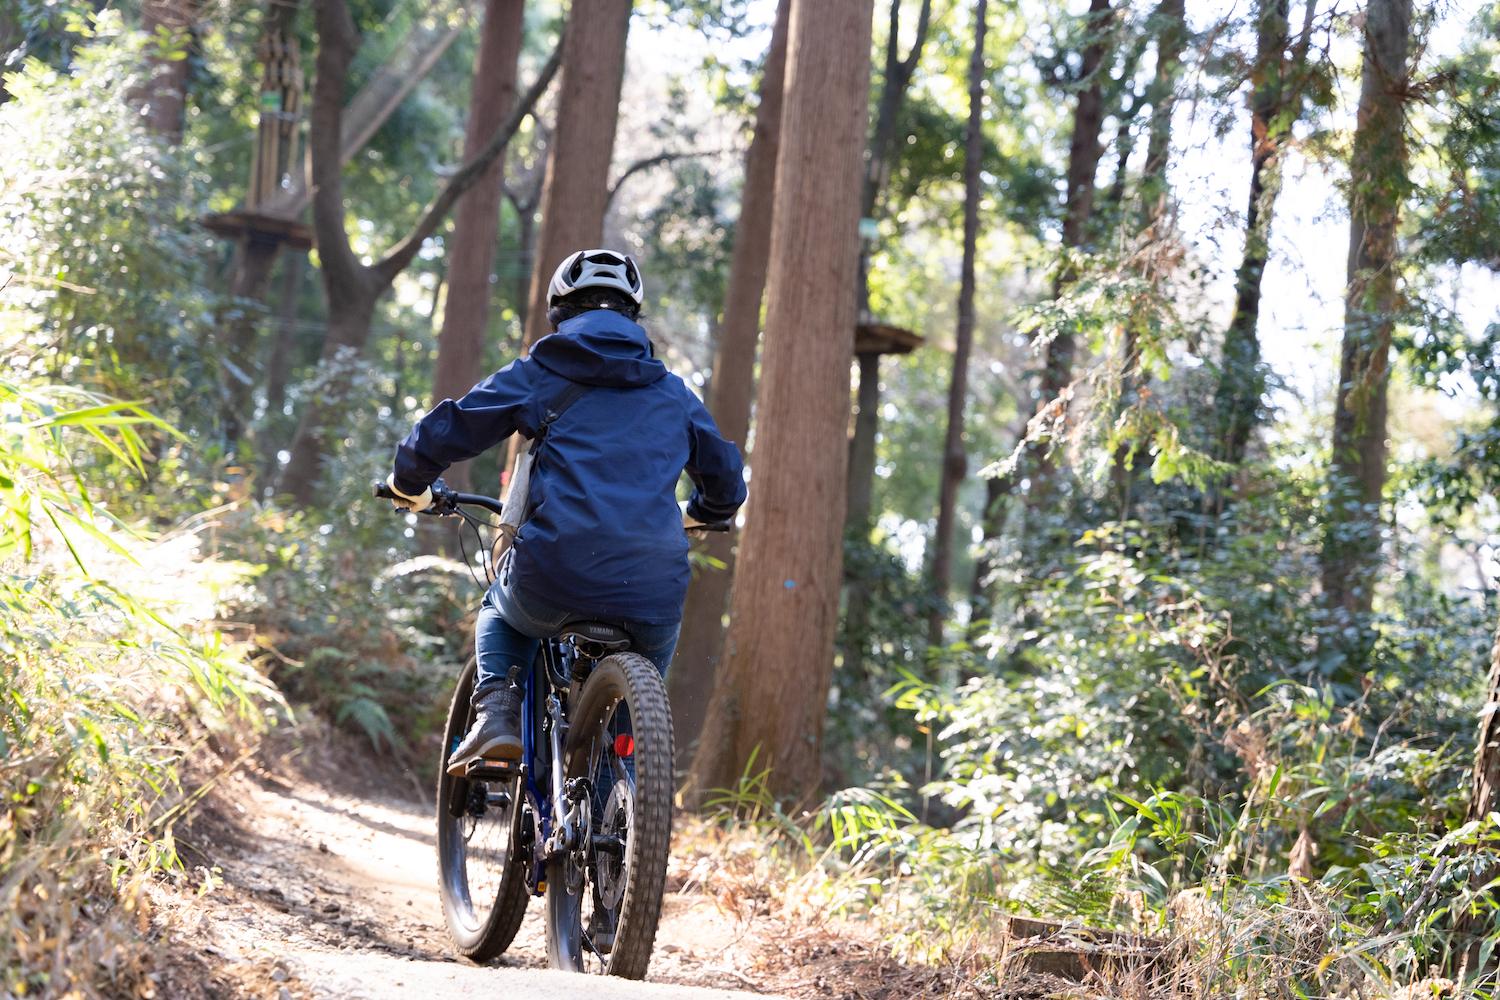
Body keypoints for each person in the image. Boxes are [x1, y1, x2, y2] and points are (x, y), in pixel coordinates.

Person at [384, 249, 746, 776]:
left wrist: (407, 480)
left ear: (559, 312)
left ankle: (497, 715)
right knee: (617, 742)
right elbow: (727, 482)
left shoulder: (540, 373)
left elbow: (454, 428)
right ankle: (617, 820)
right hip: (653, 591)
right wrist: (703, 510)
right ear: (633, 316)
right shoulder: (673, 393)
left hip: (554, 574)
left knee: (499, 607)